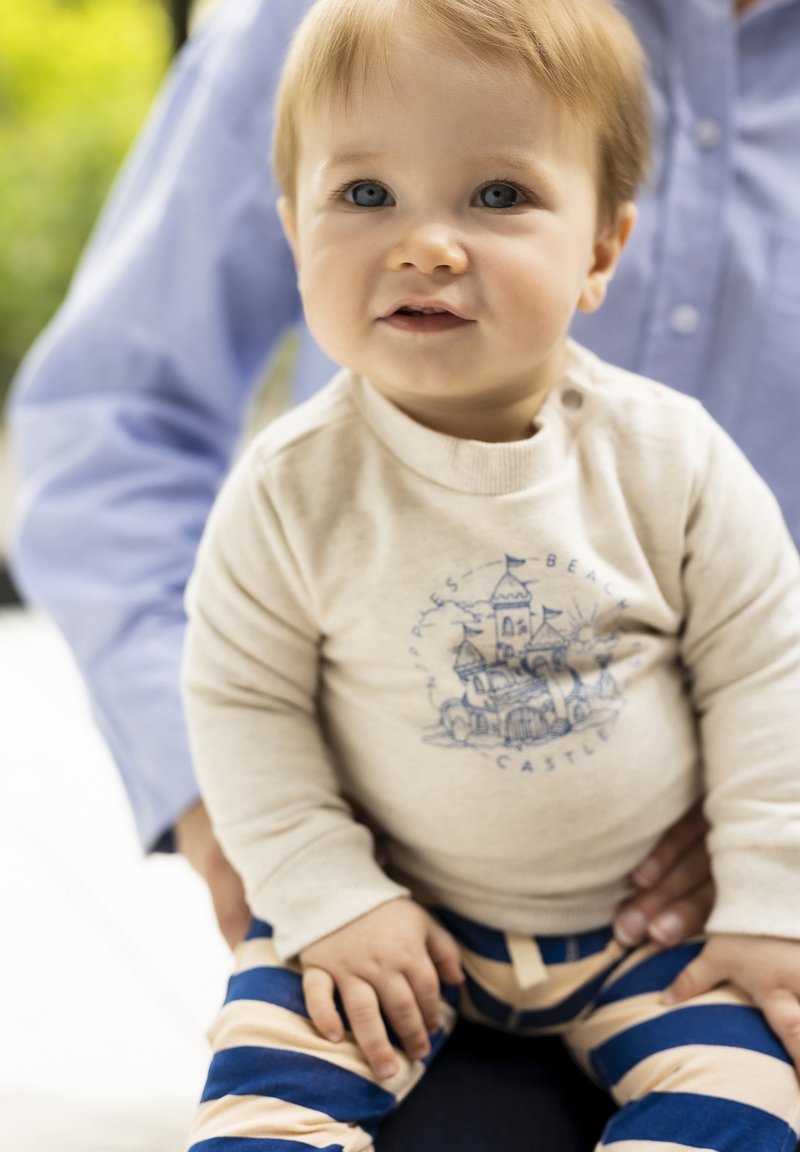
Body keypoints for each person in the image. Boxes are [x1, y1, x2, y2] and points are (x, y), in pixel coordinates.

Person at [6, 0, 796, 1143]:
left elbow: (765, 663)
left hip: (652, 937)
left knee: (743, 1097)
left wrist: (771, 884)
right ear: (292, 231)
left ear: (600, 250)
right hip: (388, 922)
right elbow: (240, 700)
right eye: (365, 196)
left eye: (499, 195)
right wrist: (319, 888)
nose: (425, 244)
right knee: (268, 1097)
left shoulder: (672, 459)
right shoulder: (285, 492)